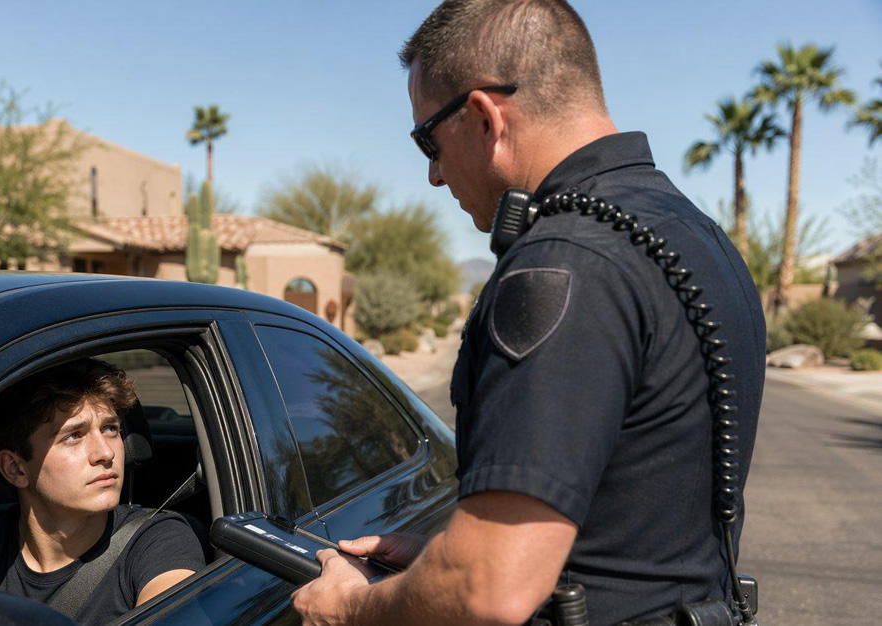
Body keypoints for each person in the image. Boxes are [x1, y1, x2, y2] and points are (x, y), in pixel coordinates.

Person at [292, 1, 764, 624]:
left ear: (485, 117)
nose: (434, 174)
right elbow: (627, 516)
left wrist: (353, 608)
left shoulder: (565, 262)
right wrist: (439, 560)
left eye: (427, 140)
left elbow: (490, 588)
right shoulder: (691, 232)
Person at [0, 358, 205, 624]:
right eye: (74, 436)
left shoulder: (157, 540)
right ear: (16, 468)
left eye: (110, 428)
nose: (106, 453)